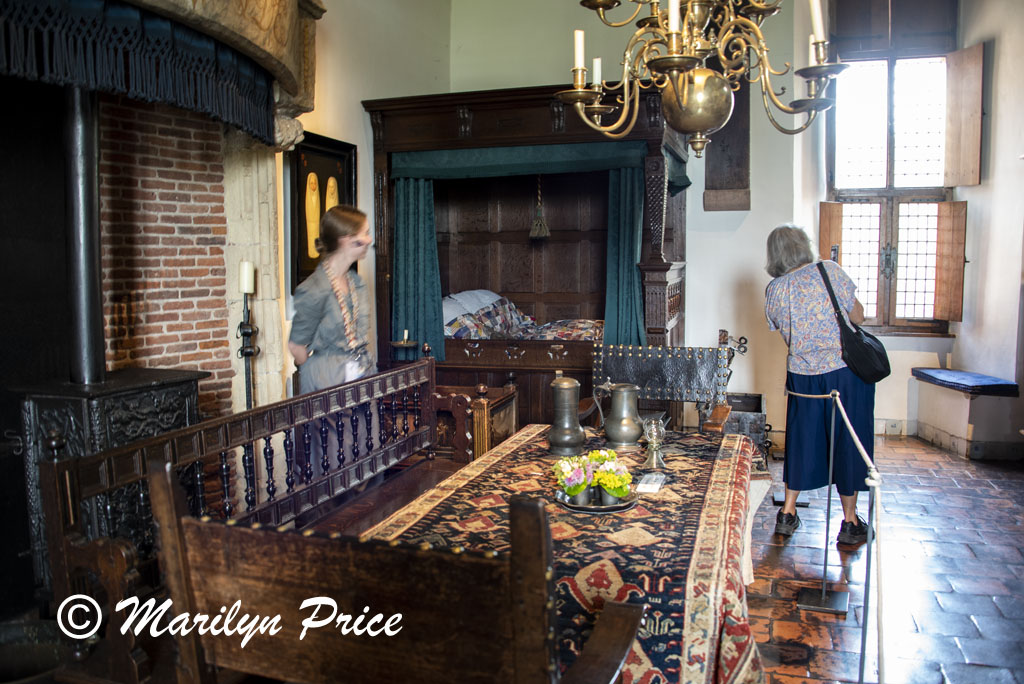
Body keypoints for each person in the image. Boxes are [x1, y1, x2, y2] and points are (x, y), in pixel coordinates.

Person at [763, 224, 873, 545]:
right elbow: (859, 317)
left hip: (802, 376)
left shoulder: (774, 289)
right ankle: (850, 522)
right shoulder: (830, 271)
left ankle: (787, 512)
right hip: (844, 373)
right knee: (846, 442)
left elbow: (785, 333)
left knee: (801, 440)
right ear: (803, 246)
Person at [289, 204, 375, 391]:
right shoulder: (314, 288)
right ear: (346, 239)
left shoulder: (357, 283)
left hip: (361, 378)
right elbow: (296, 347)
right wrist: (320, 371)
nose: (369, 240)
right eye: (365, 233)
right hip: (326, 385)